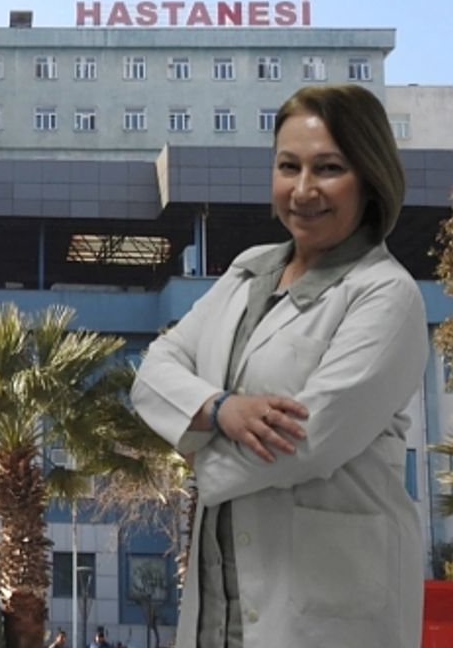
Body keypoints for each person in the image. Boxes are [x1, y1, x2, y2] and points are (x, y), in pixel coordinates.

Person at [131, 82, 426, 647]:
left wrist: (192, 447)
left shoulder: (386, 295)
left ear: (370, 178)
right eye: (289, 166)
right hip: (220, 601)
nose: (304, 189)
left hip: (330, 611)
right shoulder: (248, 272)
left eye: (329, 168)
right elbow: (155, 371)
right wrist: (221, 409)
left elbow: (307, 441)